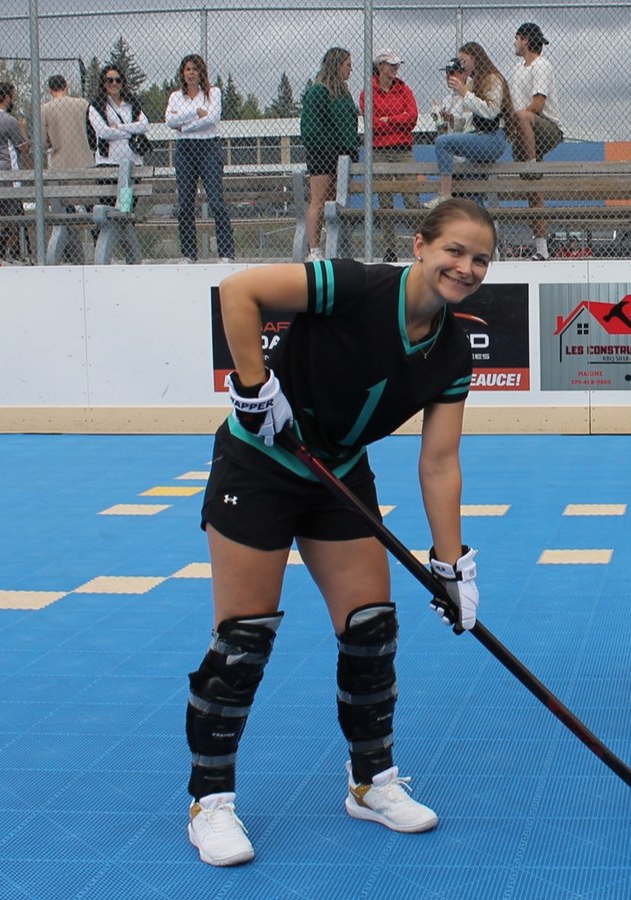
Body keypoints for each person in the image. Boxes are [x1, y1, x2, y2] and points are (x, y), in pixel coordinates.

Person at [184, 198, 496, 867]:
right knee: (243, 641)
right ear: (420, 245)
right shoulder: (354, 285)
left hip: (337, 474)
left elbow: (440, 462)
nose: (466, 268)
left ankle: (371, 782)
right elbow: (239, 292)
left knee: (371, 629)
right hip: (261, 461)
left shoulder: (453, 347)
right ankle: (210, 801)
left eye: (480, 260)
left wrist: (451, 564)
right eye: (455, 251)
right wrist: (252, 387)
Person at [166, 54, 235, 263]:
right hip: (185, 150)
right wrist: (197, 112)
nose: (191, 73)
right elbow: (169, 120)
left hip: (209, 147)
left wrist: (185, 125)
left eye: (195, 69)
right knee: (186, 202)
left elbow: (212, 119)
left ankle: (226, 253)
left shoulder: (213, 93)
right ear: (182, 73)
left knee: (216, 200)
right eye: (187, 69)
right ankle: (188, 253)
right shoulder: (176, 97)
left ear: (201, 72)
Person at [427, 42, 513, 209]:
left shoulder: (492, 78)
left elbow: (490, 111)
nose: (461, 65)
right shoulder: (475, 82)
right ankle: (479, 229)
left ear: (474, 58)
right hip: (478, 137)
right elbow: (470, 120)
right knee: (473, 196)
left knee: (443, 143)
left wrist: (464, 92)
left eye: (463, 60)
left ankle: (445, 194)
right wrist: (452, 119)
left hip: (492, 138)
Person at [509, 22, 564, 260]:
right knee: (534, 191)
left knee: (522, 116)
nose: (514, 43)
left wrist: (519, 121)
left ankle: (531, 161)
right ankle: (542, 249)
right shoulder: (517, 69)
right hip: (525, 132)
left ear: (525, 40)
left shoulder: (542, 65)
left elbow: (538, 105)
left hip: (547, 128)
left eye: (517, 38)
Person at [300, 47, 361, 261]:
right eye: (347, 66)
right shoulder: (318, 91)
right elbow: (310, 130)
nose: (350, 70)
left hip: (343, 156)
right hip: (323, 154)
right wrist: (329, 146)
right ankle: (314, 250)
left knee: (337, 204)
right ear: (337, 66)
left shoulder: (343, 93)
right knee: (319, 200)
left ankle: (337, 248)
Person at [359, 49, 418, 261]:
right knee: (385, 202)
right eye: (390, 65)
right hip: (379, 152)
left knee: (411, 198)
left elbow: (412, 119)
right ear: (380, 66)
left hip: (402, 150)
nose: (395, 69)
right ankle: (391, 249)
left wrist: (388, 120)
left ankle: (421, 245)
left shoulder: (404, 90)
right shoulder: (368, 93)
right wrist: (397, 119)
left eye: (396, 65)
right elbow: (372, 125)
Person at [41, 74, 91, 263]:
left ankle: (71, 254)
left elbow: (43, 142)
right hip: (85, 159)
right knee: (89, 205)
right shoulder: (82, 104)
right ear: (67, 86)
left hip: (61, 162)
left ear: (49, 90)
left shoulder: (45, 109)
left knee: (64, 209)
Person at [0, 81, 31, 262]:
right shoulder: (9, 120)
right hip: (9, 172)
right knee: (10, 215)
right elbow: (23, 148)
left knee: (11, 212)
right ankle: (3, 253)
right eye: (11, 96)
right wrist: (23, 130)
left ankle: (16, 251)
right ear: (6, 97)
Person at [87, 66, 148, 169]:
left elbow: (144, 126)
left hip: (134, 161)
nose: (114, 83)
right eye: (109, 80)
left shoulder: (131, 104)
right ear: (103, 83)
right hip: (108, 162)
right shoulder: (96, 106)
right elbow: (104, 132)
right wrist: (132, 132)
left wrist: (119, 127)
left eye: (118, 80)